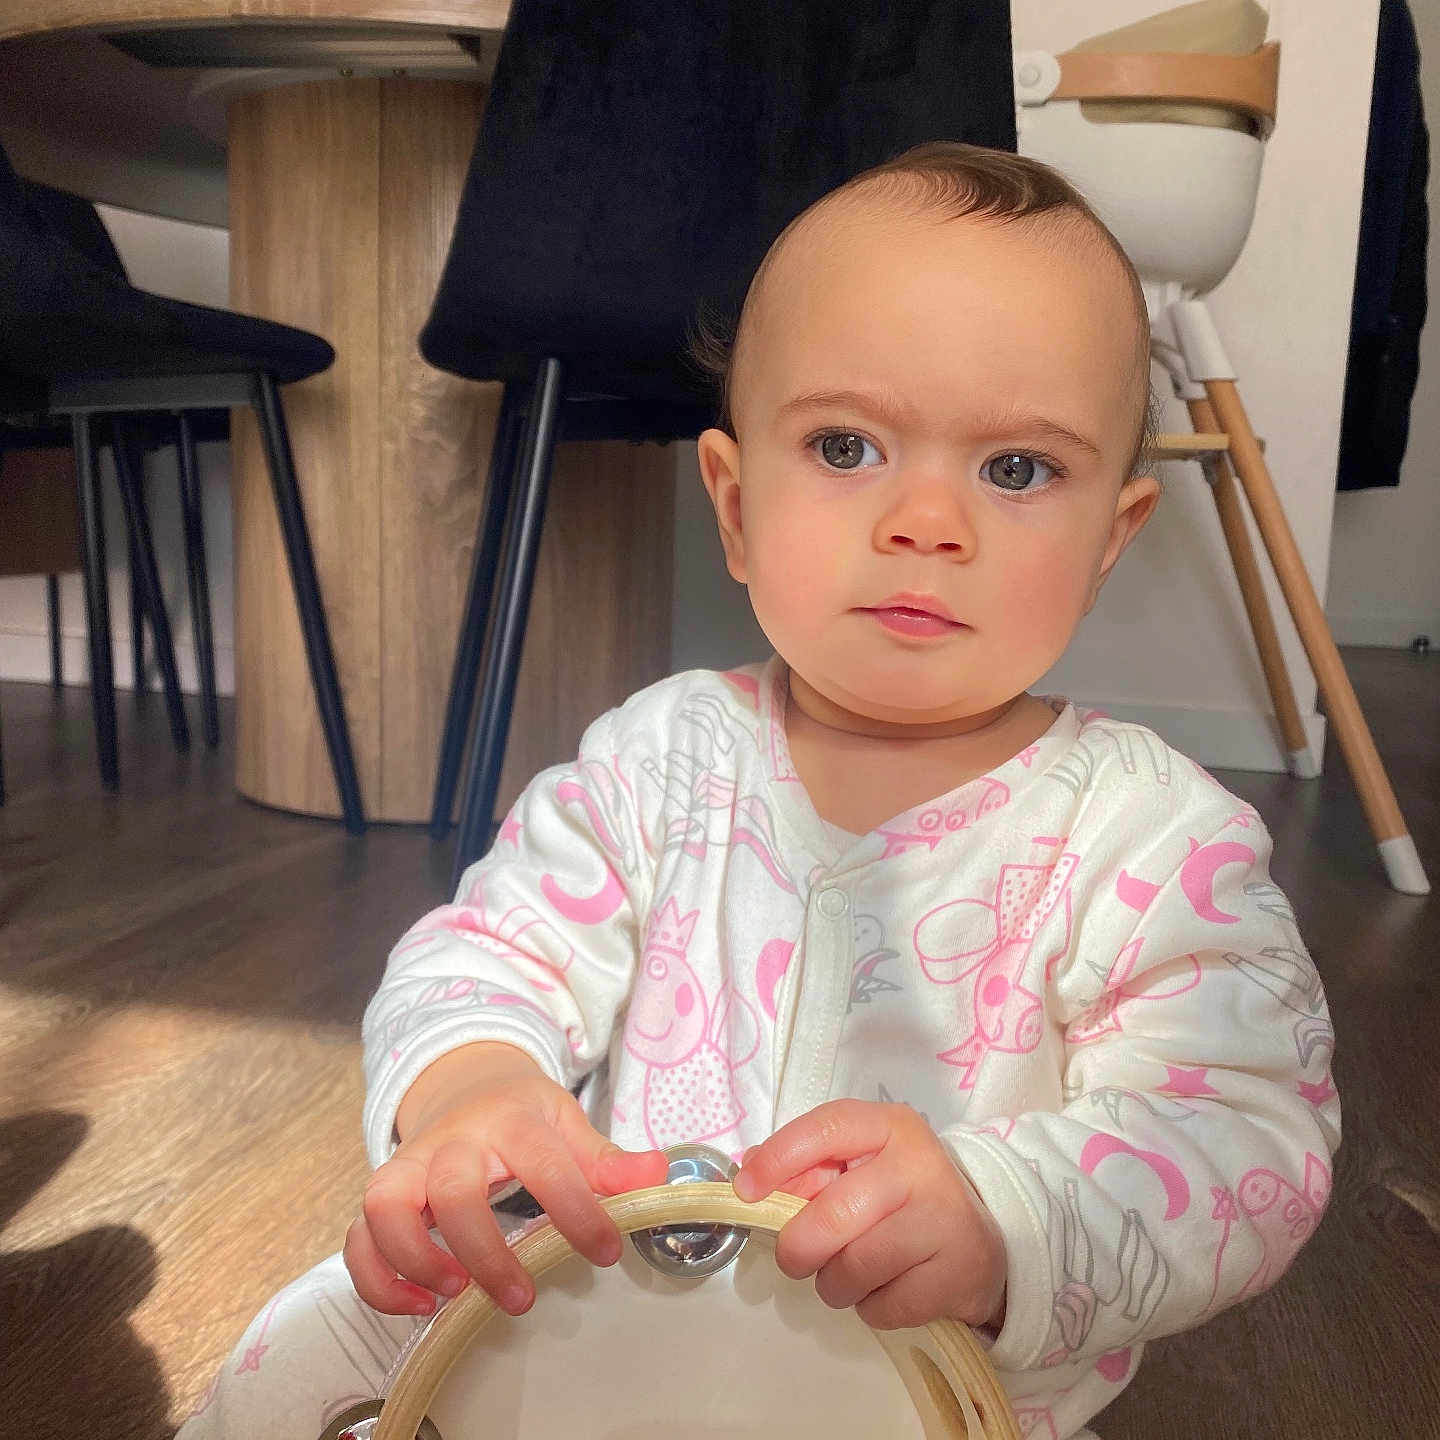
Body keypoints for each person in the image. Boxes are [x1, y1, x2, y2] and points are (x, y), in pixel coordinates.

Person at [179, 142, 1340, 1440]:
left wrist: (1000, 1211)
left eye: (1016, 470)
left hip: (936, 1391)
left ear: (1109, 541)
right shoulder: (660, 757)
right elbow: (488, 948)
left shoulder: (1154, 836)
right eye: (847, 445)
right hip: (598, 1330)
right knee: (320, 1329)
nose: (924, 520)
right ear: (733, 505)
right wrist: (473, 1096)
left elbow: (1246, 1137)